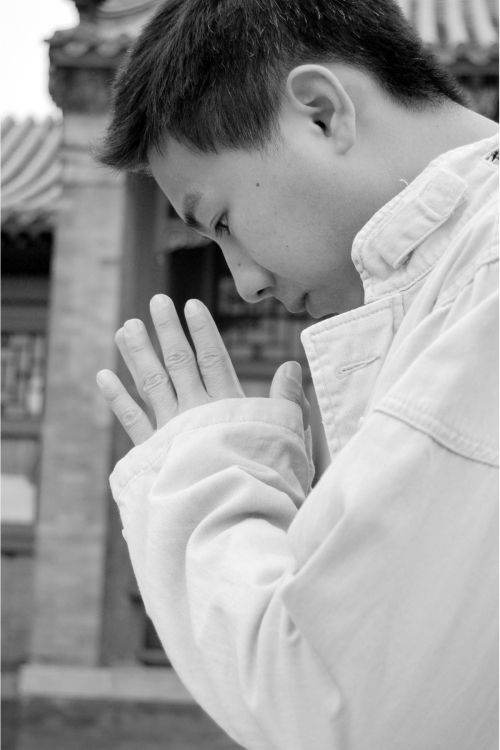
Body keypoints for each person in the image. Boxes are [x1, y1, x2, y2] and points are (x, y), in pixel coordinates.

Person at [95, 1, 499, 748]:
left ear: (320, 112)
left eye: (220, 221)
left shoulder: (486, 289)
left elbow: (335, 703)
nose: (245, 284)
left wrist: (207, 479)